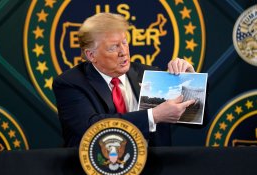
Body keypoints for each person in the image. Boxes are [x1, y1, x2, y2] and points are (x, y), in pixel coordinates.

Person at [53, 12, 196, 147]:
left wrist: (191, 80)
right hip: (100, 167)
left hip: (154, 167)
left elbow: (195, 119)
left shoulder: (148, 74)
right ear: (91, 55)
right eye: (113, 47)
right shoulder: (70, 83)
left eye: (125, 42)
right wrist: (153, 116)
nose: (123, 52)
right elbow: (91, 128)